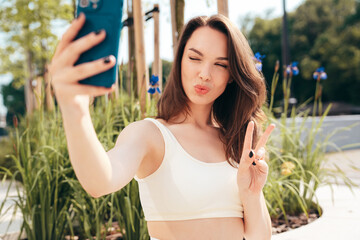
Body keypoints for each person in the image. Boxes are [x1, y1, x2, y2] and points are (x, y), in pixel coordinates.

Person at [49, 12, 275, 240]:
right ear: (179, 62)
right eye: (194, 58)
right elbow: (99, 181)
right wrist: (74, 108)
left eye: (220, 64)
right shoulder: (150, 135)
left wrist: (252, 193)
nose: (204, 74)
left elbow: (260, 236)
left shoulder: (237, 141)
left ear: (232, 76)